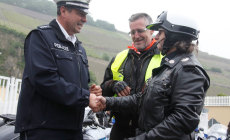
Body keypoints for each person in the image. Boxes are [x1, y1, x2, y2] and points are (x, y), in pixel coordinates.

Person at [96, 11, 210, 140]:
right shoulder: (169, 66)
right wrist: (107, 101)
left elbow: (183, 119)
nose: (156, 37)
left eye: (160, 32)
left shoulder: (189, 70)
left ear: (173, 35)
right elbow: (141, 99)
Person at [15, 0, 102, 139]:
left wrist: (90, 92)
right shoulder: (40, 37)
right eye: (80, 14)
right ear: (63, 11)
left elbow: (74, 86)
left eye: (85, 14)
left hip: (73, 129)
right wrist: (86, 97)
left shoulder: (80, 48)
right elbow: (45, 80)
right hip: (45, 130)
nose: (85, 19)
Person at [100, 13, 163, 139]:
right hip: (119, 130)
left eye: (140, 31)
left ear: (151, 30)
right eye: (132, 32)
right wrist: (113, 85)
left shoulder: (164, 59)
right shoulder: (120, 57)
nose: (136, 36)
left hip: (148, 132)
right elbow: (103, 91)